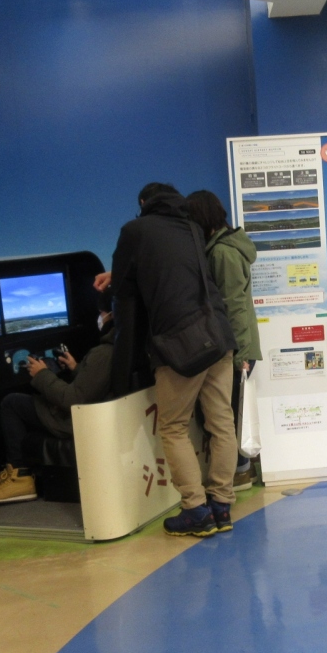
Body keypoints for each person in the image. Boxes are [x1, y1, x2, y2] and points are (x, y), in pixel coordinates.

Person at [100, 183, 239, 537]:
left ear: (143, 202)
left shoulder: (135, 230)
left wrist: (121, 366)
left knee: (174, 427)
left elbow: (125, 298)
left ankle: (195, 510)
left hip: (181, 346)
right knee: (221, 422)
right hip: (219, 336)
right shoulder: (191, 227)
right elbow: (174, 273)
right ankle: (222, 505)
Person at [0, 302, 116, 503]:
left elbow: (72, 400)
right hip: (102, 415)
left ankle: (20, 477)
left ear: (112, 315)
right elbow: (96, 383)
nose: (100, 317)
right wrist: (76, 368)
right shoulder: (123, 344)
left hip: (77, 420)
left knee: (11, 403)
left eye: (101, 313)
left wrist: (42, 374)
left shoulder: (103, 352)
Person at [186, 190, 262, 489]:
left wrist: (239, 355)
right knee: (231, 411)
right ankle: (241, 468)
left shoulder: (222, 253)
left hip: (236, 347)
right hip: (237, 345)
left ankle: (240, 471)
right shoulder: (226, 247)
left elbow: (234, 307)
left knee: (228, 414)